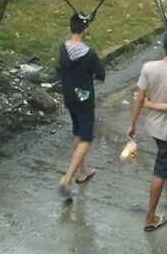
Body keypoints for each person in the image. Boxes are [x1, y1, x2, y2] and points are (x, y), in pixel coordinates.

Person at [126, 27, 167, 232]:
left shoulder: (149, 68)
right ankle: (151, 217)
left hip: (152, 126)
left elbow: (139, 98)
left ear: (164, 46)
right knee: (161, 169)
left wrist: (132, 124)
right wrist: (149, 104)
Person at [56, 12, 106, 197]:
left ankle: (83, 170)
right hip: (84, 99)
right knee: (86, 138)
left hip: (69, 97)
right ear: (85, 29)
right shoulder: (89, 53)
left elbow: (59, 68)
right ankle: (67, 178)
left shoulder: (63, 48)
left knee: (77, 131)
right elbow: (100, 73)